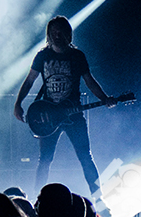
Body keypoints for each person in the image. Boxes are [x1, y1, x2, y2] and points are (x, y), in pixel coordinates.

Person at [13, 16, 116, 195]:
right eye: (53, 32)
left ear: (68, 33)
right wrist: (18, 103)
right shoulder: (42, 56)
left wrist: (104, 98)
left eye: (60, 31)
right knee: (45, 159)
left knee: (85, 156)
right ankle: (39, 200)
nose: (57, 35)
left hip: (73, 114)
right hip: (48, 116)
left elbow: (90, 81)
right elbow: (29, 80)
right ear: (49, 35)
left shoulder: (77, 56)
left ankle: (98, 198)